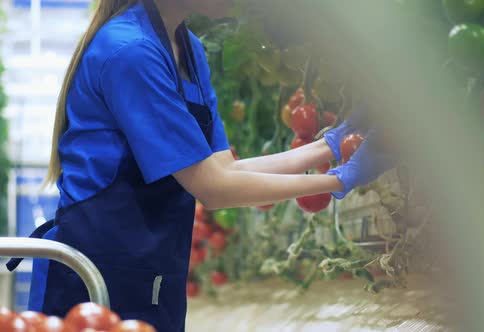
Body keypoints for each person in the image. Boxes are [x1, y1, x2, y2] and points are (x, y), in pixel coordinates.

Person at [6, 0, 393, 331]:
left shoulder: (186, 48)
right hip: (95, 280)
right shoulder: (130, 51)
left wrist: (329, 146)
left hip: (153, 272)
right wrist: (337, 180)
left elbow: (225, 169)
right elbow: (213, 188)